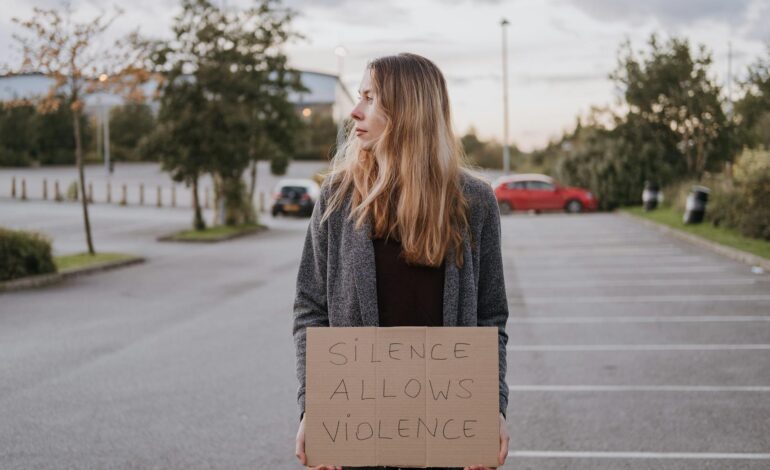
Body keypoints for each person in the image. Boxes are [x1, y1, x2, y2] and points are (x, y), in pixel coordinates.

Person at [292, 53, 510, 470]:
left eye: (370, 98)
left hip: (448, 437)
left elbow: (490, 316)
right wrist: (312, 408)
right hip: (355, 436)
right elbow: (311, 309)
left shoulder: (474, 201)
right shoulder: (337, 197)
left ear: (408, 109)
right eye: (359, 97)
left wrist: (493, 407)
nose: (355, 111)